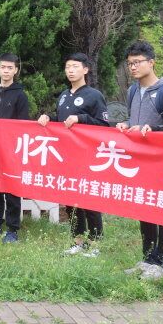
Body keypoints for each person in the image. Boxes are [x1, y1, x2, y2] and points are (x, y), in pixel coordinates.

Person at [115, 41, 163, 280]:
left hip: (162, 161)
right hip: (140, 160)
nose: (133, 67)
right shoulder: (133, 90)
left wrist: (151, 129)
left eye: (138, 62)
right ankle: (148, 258)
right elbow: (134, 121)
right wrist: (126, 125)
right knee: (145, 207)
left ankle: (162, 264)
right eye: (130, 63)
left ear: (151, 62)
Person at [38, 52, 109, 257]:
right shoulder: (63, 95)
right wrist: (48, 117)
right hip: (66, 155)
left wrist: (81, 118)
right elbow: (61, 120)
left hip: (87, 156)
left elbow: (104, 125)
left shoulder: (94, 95)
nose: (70, 70)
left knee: (89, 200)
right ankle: (77, 241)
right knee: (70, 199)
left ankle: (95, 244)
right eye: (68, 67)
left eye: (75, 66)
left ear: (85, 69)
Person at [0, 53, 30, 243]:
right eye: (3, 67)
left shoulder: (20, 95)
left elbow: (24, 123)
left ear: (16, 70)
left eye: (10, 68)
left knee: (12, 190)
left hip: (12, 150)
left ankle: (12, 230)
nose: (6, 71)